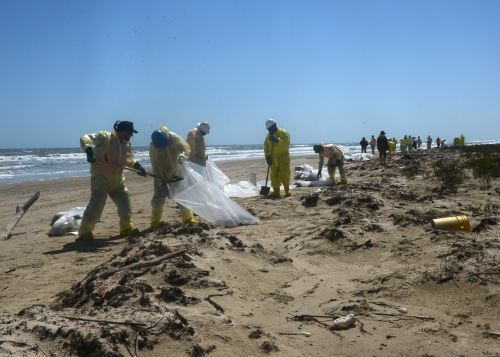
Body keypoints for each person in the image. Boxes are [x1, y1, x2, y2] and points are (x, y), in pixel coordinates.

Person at [77, 120, 146, 241]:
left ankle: (126, 229)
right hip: (101, 178)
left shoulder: (127, 144)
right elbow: (84, 138)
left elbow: (129, 159)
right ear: (122, 131)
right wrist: (88, 150)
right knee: (95, 208)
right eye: (130, 133)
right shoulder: (104, 137)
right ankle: (85, 232)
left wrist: (137, 166)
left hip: (118, 180)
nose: (131, 136)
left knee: (125, 207)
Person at [149, 125, 197, 227]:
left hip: (176, 170)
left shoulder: (173, 137)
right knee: (158, 197)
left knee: (181, 194)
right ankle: (155, 222)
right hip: (161, 173)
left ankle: (188, 218)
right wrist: (161, 182)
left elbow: (185, 148)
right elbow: (156, 167)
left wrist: (183, 155)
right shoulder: (153, 147)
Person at [264, 118, 291, 198]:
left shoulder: (283, 133)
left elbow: (286, 143)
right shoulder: (268, 137)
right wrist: (267, 157)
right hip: (273, 157)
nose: (269, 131)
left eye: (270, 128)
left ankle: (287, 190)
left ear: (274, 126)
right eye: (268, 129)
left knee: (284, 173)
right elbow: (266, 147)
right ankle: (276, 191)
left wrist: (277, 140)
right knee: (274, 175)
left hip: (283, 156)